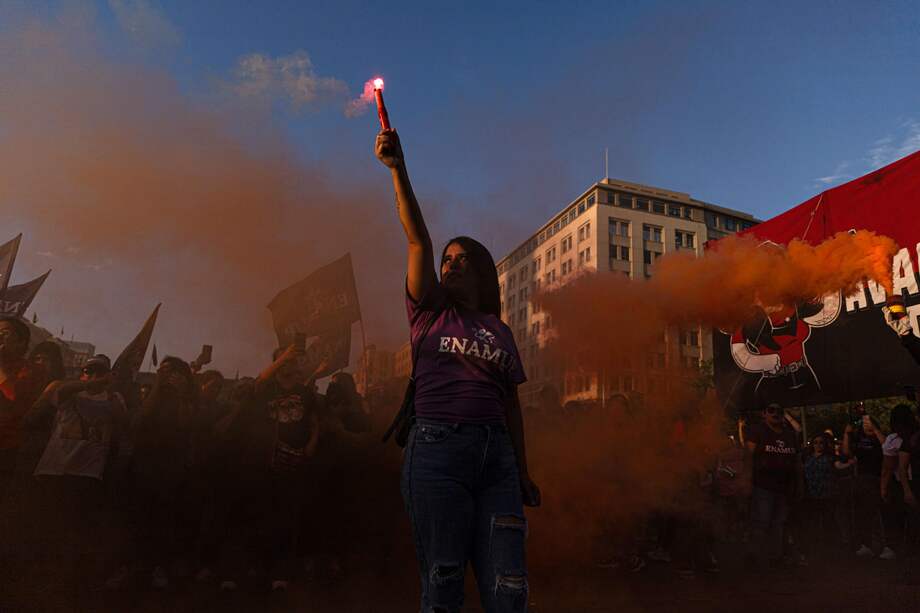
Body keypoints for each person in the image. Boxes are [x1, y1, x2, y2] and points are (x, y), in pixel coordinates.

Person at [377, 128, 540, 613]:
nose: (450, 265)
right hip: (437, 452)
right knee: (444, 580)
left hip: (498, 462)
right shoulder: (428, 310)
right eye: (446, 259)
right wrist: (397, 168)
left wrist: (524, 472)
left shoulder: (500, 331)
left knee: (509, 586)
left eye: (462, 259)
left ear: (483, 271)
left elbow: (511, 404)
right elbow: (417, 238)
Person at [24, 355, 127, 592]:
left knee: (76, 526)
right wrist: (87, 384)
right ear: (82, 372)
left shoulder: (114, 397)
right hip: (56, 467)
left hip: (88, 472)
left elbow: (124, 423)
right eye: (89, 369)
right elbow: (58, 395)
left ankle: (67, 578)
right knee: (49, 523)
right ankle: (41, 573)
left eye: (100, 370)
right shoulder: (68, 389)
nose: (94, 374)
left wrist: (110, 390)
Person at [249, 345, 321, 592]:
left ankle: (281, 571)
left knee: (288, 517)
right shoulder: (268, 387)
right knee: (264, 515)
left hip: (295, 462)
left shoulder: (304, 392)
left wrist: (311, 444)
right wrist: (281, 358)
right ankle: (260, 568)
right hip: (268, 462)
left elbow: (314, 422)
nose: (291, 363)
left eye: (293, 360)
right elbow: (256, 384)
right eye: (285, 360)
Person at [131, 356, 200, 589]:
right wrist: (158, 385)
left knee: (164, 518)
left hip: (172, 465)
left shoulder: (190, 398)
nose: (170, 376)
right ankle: (132, 565)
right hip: (144, 461)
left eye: (175, 372)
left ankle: (159, 566)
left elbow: (185, 423)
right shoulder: (153, 392)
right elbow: (142, 418)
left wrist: (181, 394)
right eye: (166, 371)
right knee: (139, 516)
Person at [743, 403, 802, 569]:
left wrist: (799, 484)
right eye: (771, 410)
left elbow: (797, 462)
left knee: (779, 523)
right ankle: (755, 556)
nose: (776, 413)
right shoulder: (758, 431)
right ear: (764, 414)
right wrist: (746, 481)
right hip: (763, 486)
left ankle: (775, 557)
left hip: (783, 488)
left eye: (779, 410)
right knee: (762, 522)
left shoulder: (789, 435)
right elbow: (748, 456)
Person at [0, 317, 46, 502]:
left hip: (6, 449)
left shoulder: (33, 370)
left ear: (21, 342)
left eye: (5, 333)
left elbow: (15, 397)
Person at [844, 412, 890, 558]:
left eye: (868, 421)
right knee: (863, 513)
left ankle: (883, 546)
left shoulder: (879, 437)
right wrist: (846, 434)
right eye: (863, 422)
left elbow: (887, 447)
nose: (865, 424)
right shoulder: (859, 439)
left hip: (877, 478)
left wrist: (875, 430)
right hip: (862, 479)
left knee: (876, 513)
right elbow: (847, 453)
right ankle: (865, 544)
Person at [881, 404, 916, 560]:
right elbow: (891, 468)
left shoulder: (896, 439)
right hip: (904, 483)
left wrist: (883, 488)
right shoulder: (894, 440)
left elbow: (889, 469)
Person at [801, 433, 837, 560]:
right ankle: (814, 547)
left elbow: (837, 467)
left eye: (821, 442)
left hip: (825, 494)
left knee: (827, 522)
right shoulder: (807, 458)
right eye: (815, 442)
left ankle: (829, 548)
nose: (818, 445)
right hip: (811, 494)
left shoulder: (829, 458)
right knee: (813, 522)